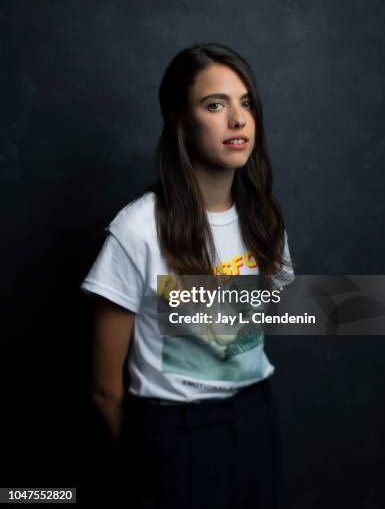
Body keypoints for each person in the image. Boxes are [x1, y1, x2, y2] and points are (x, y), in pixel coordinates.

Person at [80, 42, 296, 508]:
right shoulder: (138, 228)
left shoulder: (265, 219)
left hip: (256, 416)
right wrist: (150, 457)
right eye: (215, 104)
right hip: (176, 434)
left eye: (246, 103)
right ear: (179, 120)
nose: (238, 120)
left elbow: (263, 320)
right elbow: (103, 388)